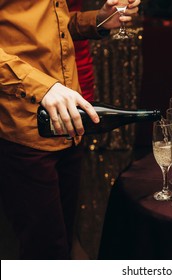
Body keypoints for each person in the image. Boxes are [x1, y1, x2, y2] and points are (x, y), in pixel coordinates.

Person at [0, 0, 140, 259]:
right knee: (44, 251)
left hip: (68, 122)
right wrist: (42, 87)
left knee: (64, 239)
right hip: (24, 125)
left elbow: (50, 27)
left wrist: (97, 19)